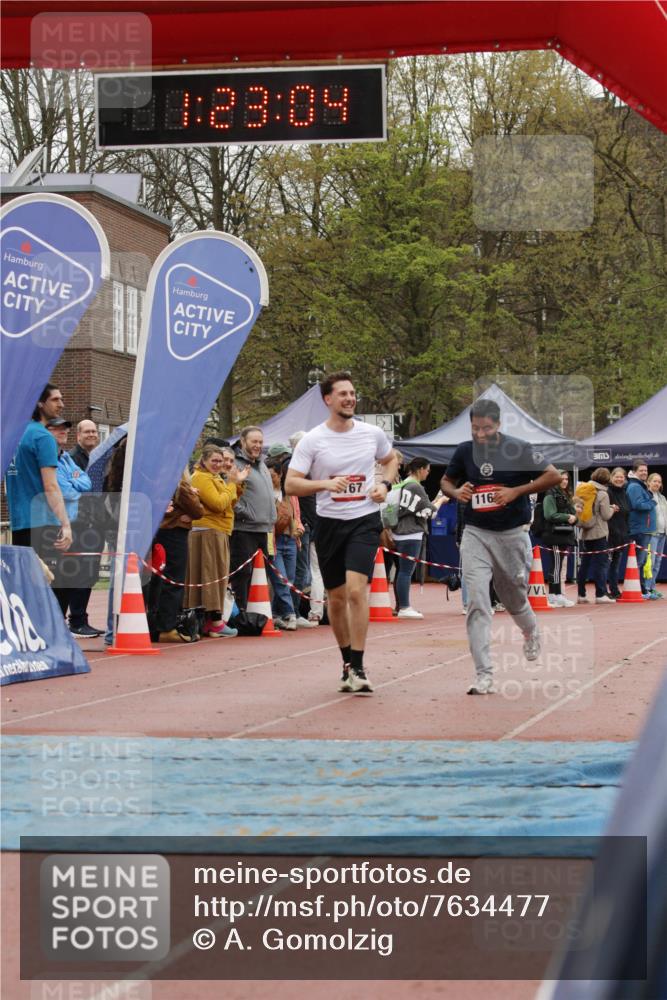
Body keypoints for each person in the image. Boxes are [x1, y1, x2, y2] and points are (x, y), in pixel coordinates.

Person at [285, 372, 399, 693]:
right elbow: (291, 483)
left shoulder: (371, 433)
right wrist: (324, 483)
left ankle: (360, 666)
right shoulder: (313, 440)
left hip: (363, 520)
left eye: (352, 393)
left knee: (355, 591)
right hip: (329, 523)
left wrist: (384, 485)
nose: (350, 398)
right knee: (336, 599)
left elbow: (391, 460)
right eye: (343, 394)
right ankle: (347, 661)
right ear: (328, 400)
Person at [439, 398, 560, 695]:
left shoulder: (517, 448)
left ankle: (530, 631)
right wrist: (456, 492)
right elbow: (445, 482)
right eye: (475, 428)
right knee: (478, 602)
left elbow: (553, 475)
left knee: (514, 597)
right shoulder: (465, 451)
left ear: (499, 425)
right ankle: (484, 675)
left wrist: (515, 491)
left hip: (512, 533)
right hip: (476, 533)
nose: (480, 434)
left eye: (487, 429)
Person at [6, 384, 73, 576]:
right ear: (40, 403)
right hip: (42, 523)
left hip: (19, 521)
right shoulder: (43, 437)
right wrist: (66, 524)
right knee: (52, 586)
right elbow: (51, 485)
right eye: (55, 399)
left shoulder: (14, 435)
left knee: (27, 584)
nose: (61, 404)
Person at [184, 444, 246, 636]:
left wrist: (236, 485)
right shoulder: (202, 478)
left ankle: (210, 620)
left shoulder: (215, 478)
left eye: (222, 461)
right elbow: (218, 504)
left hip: (218, 530)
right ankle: (214, 621)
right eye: (215, 461)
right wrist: (231, 484)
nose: (219, 464)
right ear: (203, 460)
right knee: (211, 576)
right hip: (207, 532)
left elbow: (229, 503)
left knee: (217, 576)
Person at [146, 469, 204, 643]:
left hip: (157, 532)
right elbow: (198, 510)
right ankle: (167, 627)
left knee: (157, 580)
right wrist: (183, 511)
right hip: (175, 533)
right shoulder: (179, 484)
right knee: (174, 580)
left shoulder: (153, 479)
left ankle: (155, 626)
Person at [46, 418, 94, 622]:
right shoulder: (57, 459)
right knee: (61, 577)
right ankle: (63, 621)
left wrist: (73, 481)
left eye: (64, 428)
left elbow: (87, 482)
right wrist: (75, 482)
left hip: (77, 522)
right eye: (56, 429)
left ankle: (69, 620)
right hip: (59, 523)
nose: (62, 431)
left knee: (73, 576)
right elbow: (66, 491)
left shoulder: (66, 457)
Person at [265, 454, 317, 630]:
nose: (270, 480)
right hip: (275, 540)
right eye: (267, 476)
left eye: (272, 476)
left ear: (280, 475)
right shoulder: (266, 494)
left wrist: (300, 528)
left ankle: (276, 614)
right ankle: (290, 613)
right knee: (281, 579)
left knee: (292, 578)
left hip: (291, 540)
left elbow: (297, 515)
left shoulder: (290, 494)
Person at [392, 456, 445, 618]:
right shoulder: (415, 487)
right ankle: (405, 607)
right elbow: (430, 512)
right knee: (406, 572)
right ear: (421, 469)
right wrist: (441, 500)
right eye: (428, 470)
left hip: (397, 531)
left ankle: (400, 605)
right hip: (411, 532)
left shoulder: (402, 484)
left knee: (401, 571)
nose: (428, 474)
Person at [65, 419, 104, 636]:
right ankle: (76, 620)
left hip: (94, 523)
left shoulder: (96, 459)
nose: (91, 434)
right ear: (78, 435)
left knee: (90, 573)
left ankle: (81, 618)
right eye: (87, 431)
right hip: (80, 524)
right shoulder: (73, 460)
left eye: (94, 431)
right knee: (80, 572)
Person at [230, 426, 276, 609]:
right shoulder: (235, 464)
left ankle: (258, 612)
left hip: (264, 529)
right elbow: (231, 493)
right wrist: (246, 513)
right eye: (254, 441)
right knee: (243, 574)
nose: (258, 445)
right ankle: (242, 613)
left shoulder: (262, 464)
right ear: (243, 441)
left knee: (261, 575)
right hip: (244, 529)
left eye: (260, 442)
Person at [576, 467, 617, 604]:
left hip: (584, 533)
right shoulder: (603, 494)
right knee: (601, 564)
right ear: (606, 479)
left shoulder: (584, 489)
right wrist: (612, 509)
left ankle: (581, 595)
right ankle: (600, 594)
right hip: (599, 533)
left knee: (584, 565)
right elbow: (605, 515)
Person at [541, 470, 577, 608]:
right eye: (561, 479)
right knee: (556, 565)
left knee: (559, 565)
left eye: (567, 479)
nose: (564, 481)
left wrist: (574, 517)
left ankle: (558, 595)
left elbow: (573, 513)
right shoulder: (550, 495)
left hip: (564, 535)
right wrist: (567, 517)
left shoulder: (565, 494)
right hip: (554, 534)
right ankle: (554, 595)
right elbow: (549, 515)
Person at [626, 460, 657, 599]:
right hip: (639, 529)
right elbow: (638, 505)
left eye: (646, 470)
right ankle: (637, 591)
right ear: (635, 471)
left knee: (643, 561)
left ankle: (642, 590)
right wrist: (652, 502)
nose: (644, 472)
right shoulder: (634, 487)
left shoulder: (640, 486)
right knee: (638, 561)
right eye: (642, 470)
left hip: (645, 529)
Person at [606, 467, 630, 600]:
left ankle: (614, 590)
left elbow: (626, 513)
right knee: (607, 564)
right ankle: (603, 591)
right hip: (609, 534)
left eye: (622, 477)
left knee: (615, 565)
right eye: (617, 476)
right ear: (611, 477)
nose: (619, 479)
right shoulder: (607, 492)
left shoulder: (624, 493)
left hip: (621, 535)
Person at [646, 473, 666, 599]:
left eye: (659, 482)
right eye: (654, 481)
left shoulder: (663, 498)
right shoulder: (647, 496)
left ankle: (652, 588)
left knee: (657, 563)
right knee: (650, 562)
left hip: (663, 533)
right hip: (651, 534)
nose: (657, 484)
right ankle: (646, 589)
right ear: (648, 482)